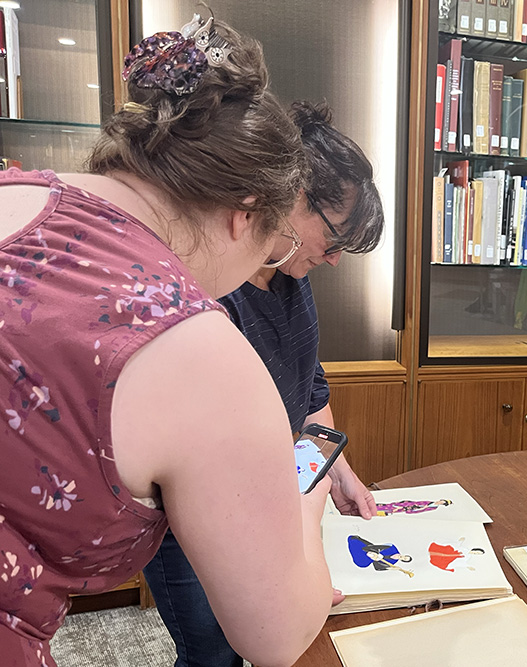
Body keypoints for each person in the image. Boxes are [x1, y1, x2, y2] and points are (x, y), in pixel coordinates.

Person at [0, 17, 337, 666]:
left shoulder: (19, 190)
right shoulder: (188, 341)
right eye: (275, 247)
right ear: (244, 215)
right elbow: (276, 635)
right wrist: (309, 503)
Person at [143, 100, 386, 667]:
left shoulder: (288, 276)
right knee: (213, 652)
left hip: (268, 504)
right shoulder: (211, 286)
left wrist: (338, 470)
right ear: (290, 196)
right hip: (196, 521)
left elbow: (310, 386)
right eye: (334, 238)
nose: (334, 259)